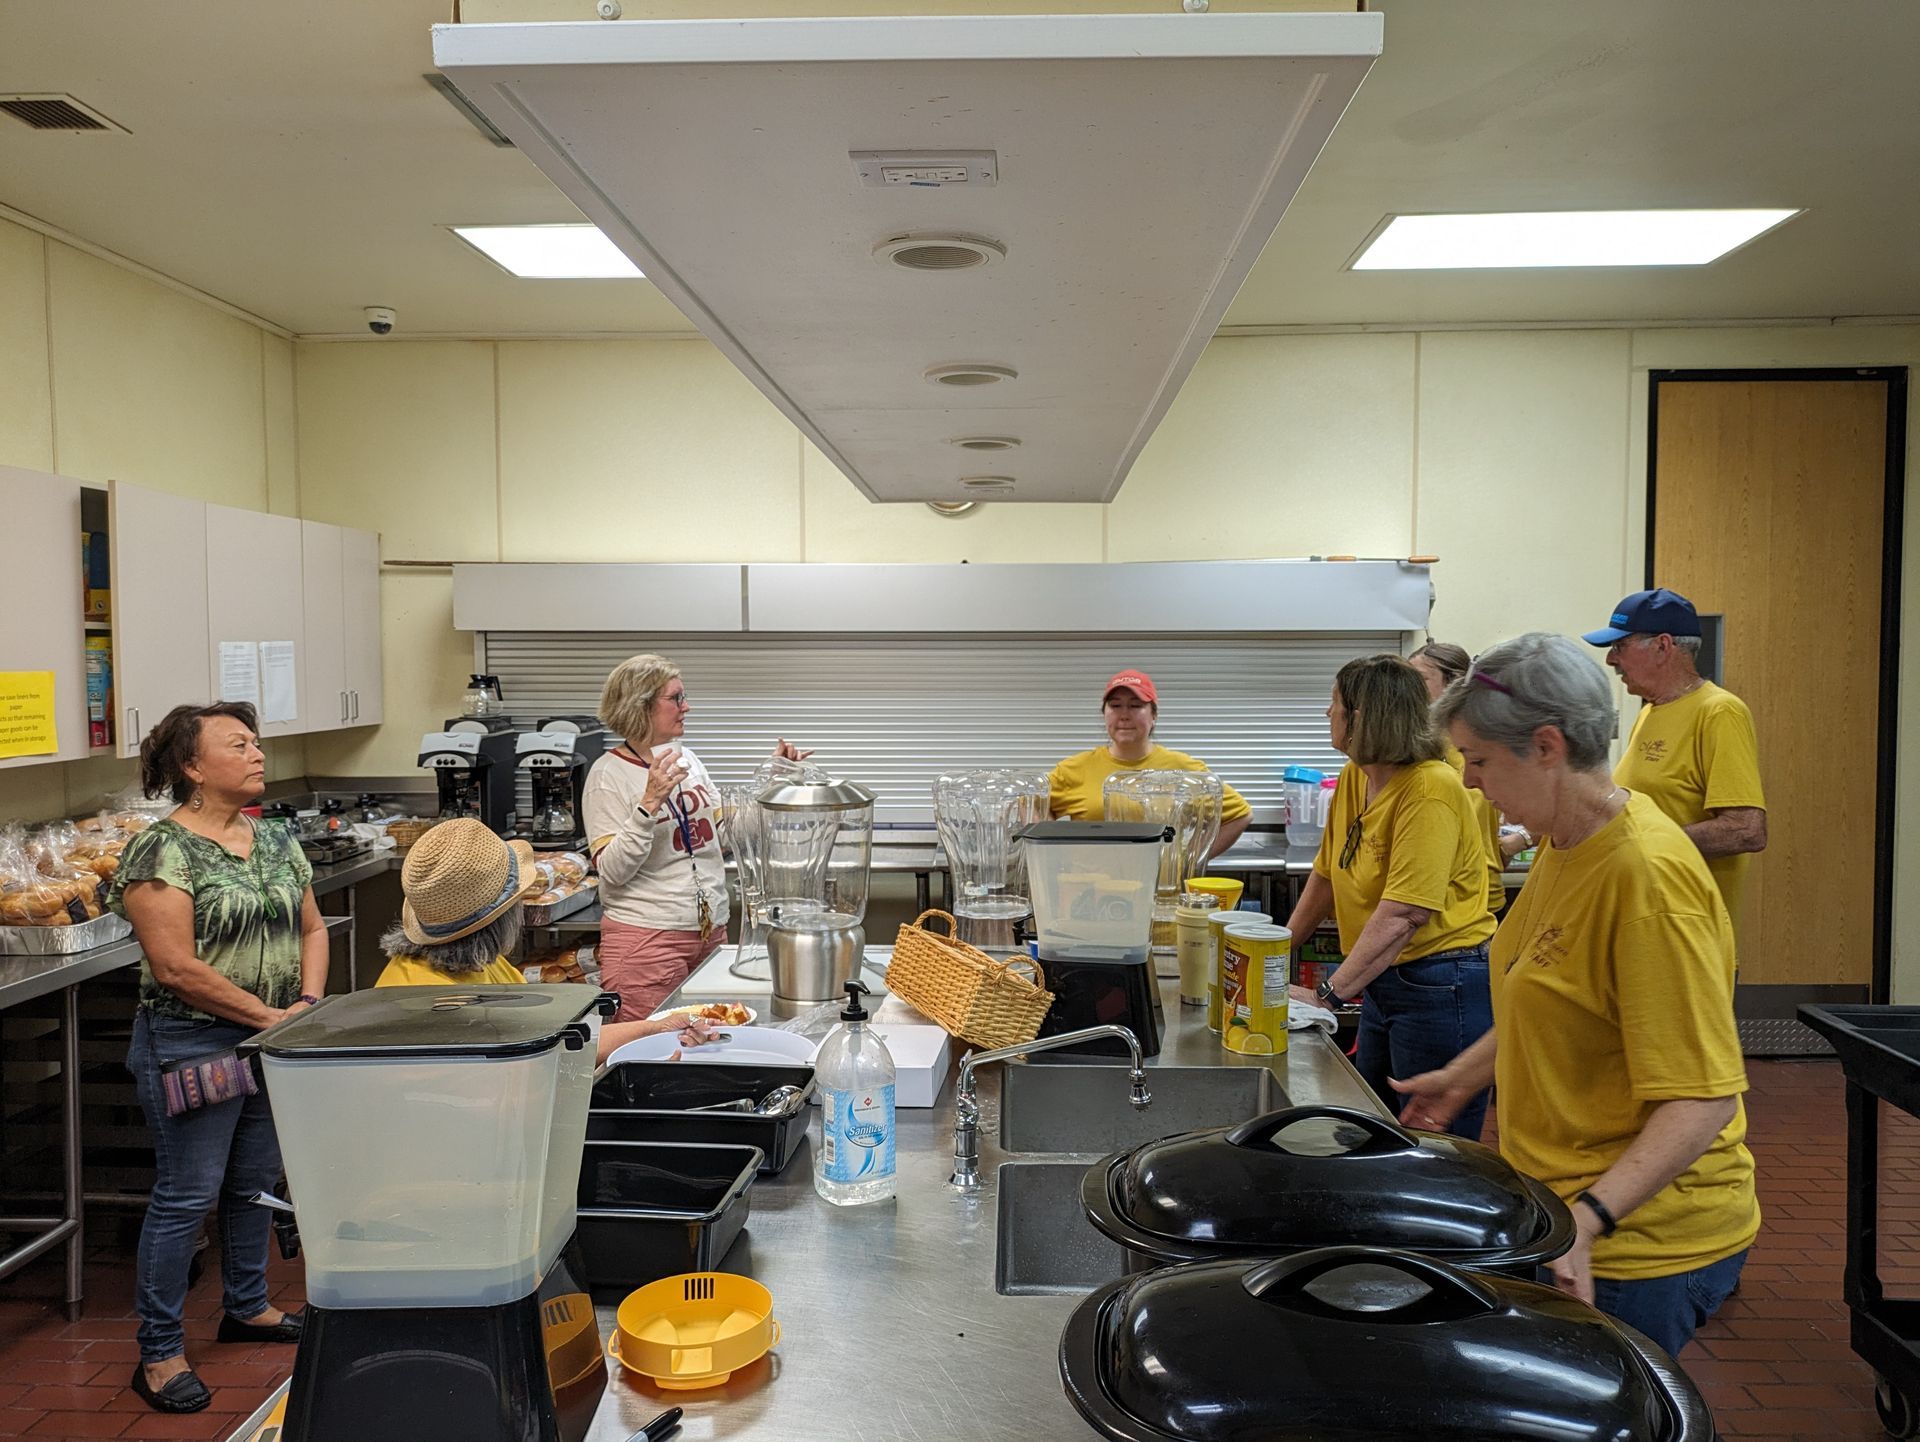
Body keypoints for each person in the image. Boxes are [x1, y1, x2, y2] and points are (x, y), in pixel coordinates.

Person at [1395, 632, 1758, 1357]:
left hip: (1636, 1241)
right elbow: (1557, 995)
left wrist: (1589, 1220)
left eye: (1479, 759)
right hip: (1562, 1211)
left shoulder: (1646, 880)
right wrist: (1462, 1076)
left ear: (1547, 747)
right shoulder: (1565, 843)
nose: (1469, 781)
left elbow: (1702, 1098)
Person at [108, 703, 330, 1415]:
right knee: (187, 1195)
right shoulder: (161, 851)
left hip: (272, 1039)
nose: (257, 753)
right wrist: (270, 1019)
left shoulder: (275, 838)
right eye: (238, 745)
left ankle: (248, 1306)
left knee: (253, 1183)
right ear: (192, 767)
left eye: (256, 742)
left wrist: (306, 1003)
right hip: (193, 1044)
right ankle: (159, 1353)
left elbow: (313, 927)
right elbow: (174, 967)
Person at [1280, 655, 1497, 1140]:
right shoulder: (1356, 776)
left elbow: (1405, 914)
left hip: (1441, 982)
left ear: (1361, 718)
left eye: (1334, 703)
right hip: (1384, 977)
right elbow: (1326, 875)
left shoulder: (1431, 788)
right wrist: (1271, 955)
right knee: (1370, 1124)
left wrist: (1327, 995)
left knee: (1430, 1138)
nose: (1327, 714)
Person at [584, 653, 810, 1021]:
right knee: (652, 1045)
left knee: (713, 1038)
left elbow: (725, 836)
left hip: (709, 932)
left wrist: (775, 783)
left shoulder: (687, 760)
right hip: (648, 940)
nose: (686, 707)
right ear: (641, 705)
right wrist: (649, 804)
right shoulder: (607, 776)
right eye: (675, 698)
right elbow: (612, 871)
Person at [372, 818, 713, 1062]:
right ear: (501, 918)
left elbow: (559, 1041)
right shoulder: (431, 1005)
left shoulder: (483, 967)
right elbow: (519, 1083)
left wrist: (655, 1031)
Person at [1584, 588, 1767, 927]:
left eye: (1619, 646)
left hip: (1693, 927)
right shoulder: (1650, 712)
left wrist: (1639, 843)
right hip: (1649, 917)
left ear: (1662, 646)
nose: (1610, 660)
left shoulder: (1720, 712)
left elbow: (1745, 830)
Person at [1047, 669, 1251, 857]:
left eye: (1135, 706)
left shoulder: (1184, 769)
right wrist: (1053, 857)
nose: (1124, 715)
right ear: (1104, 714)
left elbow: (1240, 815)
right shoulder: (1074, 769)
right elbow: (1035, 804)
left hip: (1159, 884)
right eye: (1115, 706)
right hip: (1090, 884)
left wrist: (1190, 860)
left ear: (1154, 715)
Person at [1409, 640, 1530, 909]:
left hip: (1480, 900)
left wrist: (1518, 841)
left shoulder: (1487, 742)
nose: (1408, 689)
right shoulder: (1413, 748)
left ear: (1453, 684)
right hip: (1429, 898)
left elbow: (1556, 800)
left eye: (1419, 680)